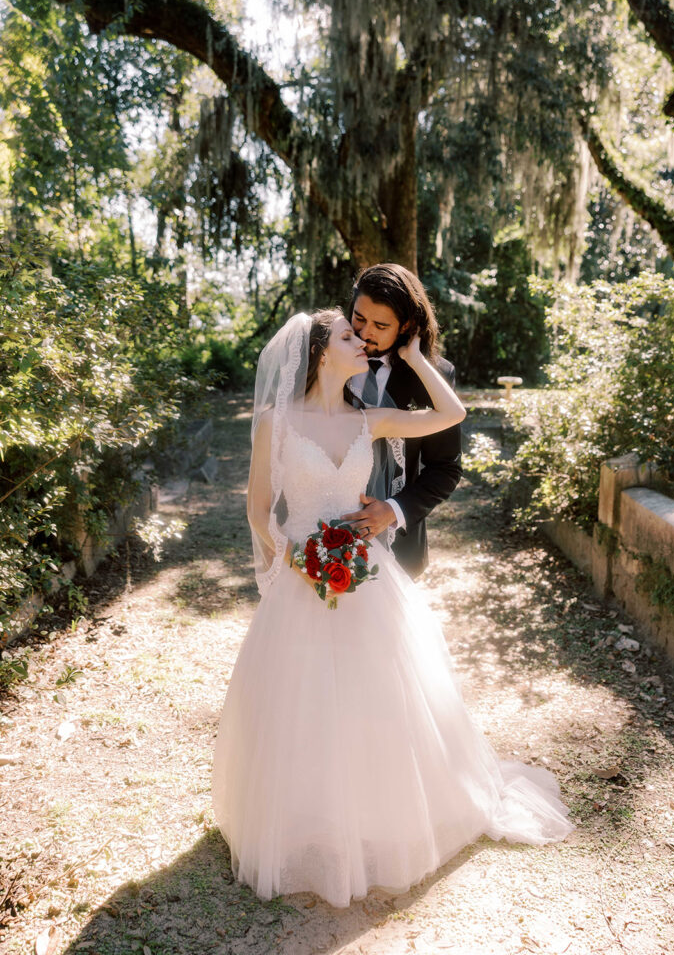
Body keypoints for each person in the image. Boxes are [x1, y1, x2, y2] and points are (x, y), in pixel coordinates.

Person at [211, 309, 572, 909]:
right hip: (302, 579)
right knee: (301, 704)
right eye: (353, 337)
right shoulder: (277, 420)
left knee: (379, 699)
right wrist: (291, 562)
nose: (366, 343)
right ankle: (305, 820)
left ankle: (380, 815)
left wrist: (413, 357)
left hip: (367, 577)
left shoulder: (369, 420)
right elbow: (256, 510)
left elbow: (452, 414)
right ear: (322, 353)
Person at [343, 263, 462, 578]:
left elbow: (446, 468)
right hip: (328, 528)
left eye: (381, 325)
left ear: (407, 325)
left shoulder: (436, 376)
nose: (365, 333)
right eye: (359, 318)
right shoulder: (325, 358)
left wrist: (392, 512)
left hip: (399, 551)